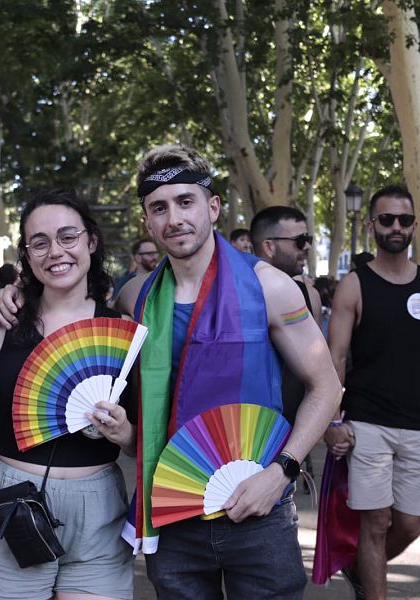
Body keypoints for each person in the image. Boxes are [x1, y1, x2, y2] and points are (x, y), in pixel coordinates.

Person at [110, 146, 341, 599]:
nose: (174, 218)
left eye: (186, 201)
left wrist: (281, 473)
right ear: (148, 221)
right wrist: (11, 298)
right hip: (173, 509)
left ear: (212, 207)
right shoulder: (135, 298)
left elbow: (327, 387)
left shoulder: (270, 287)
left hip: (259, 504)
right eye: (159, 207)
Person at [0, 189, 135, 600]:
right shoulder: (2, 324)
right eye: (39, 242)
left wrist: (126, 433)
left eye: (67, 237)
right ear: (27, 254)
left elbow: (143, 443)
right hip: (12, 502)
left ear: (91, 241)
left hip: (99, 510)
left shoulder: (124, 329)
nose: (55, 251)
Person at [325, 185, 420, 600]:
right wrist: (332, 422)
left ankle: (359, 568)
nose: (396, 227)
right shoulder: (354, 286)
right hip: (366, 423)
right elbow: (334, 359)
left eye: (404, 220)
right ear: (372, 225)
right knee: (374, 522)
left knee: (410, 524)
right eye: (386, 219)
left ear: (414, 226)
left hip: (417, 424)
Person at [250, 206, 323, 426]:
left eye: (308, 238)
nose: (307, 246)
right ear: (269, 246)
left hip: (292, 436)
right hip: (241, 430)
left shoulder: (310, 295)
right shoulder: (234, 296)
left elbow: (320, 375)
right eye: (300, 240)